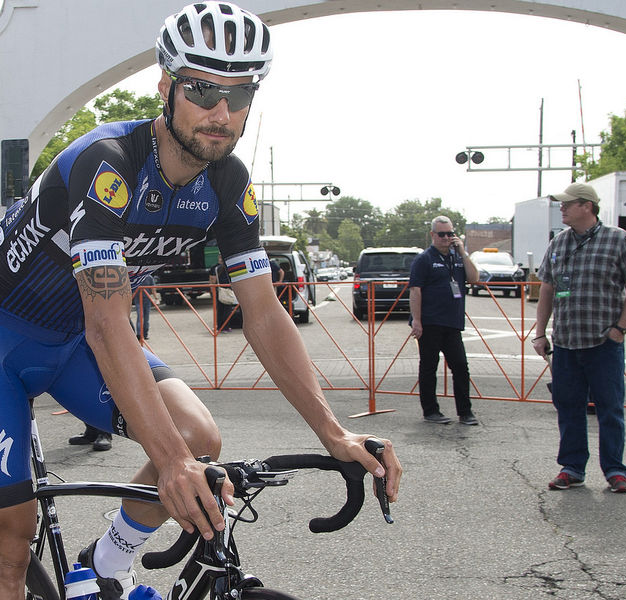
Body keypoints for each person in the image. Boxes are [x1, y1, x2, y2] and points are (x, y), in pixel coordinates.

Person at [0, 4, 402, 598]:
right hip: (10, 343)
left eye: (239, 96)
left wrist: (334, 432)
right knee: (9, 550)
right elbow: (108, 325)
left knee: (197, 436)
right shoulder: (105, 162)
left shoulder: (227, 182)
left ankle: (104, 562)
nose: (220, 112)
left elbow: (264, 314)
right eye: (201, 89)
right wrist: (168, 465)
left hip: (71, 346)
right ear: (165, 85)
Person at [532, 182, 626, 494]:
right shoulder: (558, 243)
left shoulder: (618, 240)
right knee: (569, 407)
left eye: (567, 204)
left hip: (603, 344)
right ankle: (572, 468)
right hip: (567, 342)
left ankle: (615, 471)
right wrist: (540, 333)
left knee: (610, 408)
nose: (562, 208)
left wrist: (619, 329)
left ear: (586, 206)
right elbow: (547, 289)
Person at [409, 216, 480, 425]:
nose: (446, 238)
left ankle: (465, 412)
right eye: (442, 234)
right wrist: (417, 321)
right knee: (429, 367)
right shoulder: (424, 259)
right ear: (433, 235)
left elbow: (474, 278)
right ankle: (430, 410)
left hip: (452, 322)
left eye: (450, 234)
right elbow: (415, 291)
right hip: (430, 322)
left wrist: (463, 253)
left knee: (460, 366)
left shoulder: (456, 258)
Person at [131, 272, 155, 340]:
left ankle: (140, 334)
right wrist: (155, 297)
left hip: (140, 299)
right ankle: (144, 334)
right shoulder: (149, 277)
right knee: (145, 318)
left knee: (140, 318)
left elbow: (133, 289)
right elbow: (153, 289)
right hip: (143, 299)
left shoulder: (137, 277)